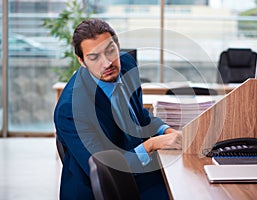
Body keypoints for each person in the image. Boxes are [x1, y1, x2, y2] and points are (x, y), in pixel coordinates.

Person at [54, 18, 182, 200]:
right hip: (105, 188)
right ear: (81, 61)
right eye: (94, 57)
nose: (107, 63)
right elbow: (109, 167)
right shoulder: (70, 110)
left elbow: (140, 116)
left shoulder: (127, 65)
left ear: (118, 45)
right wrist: (153, 144)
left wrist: (166, 130)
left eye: (110, 51)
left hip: (140, 171)